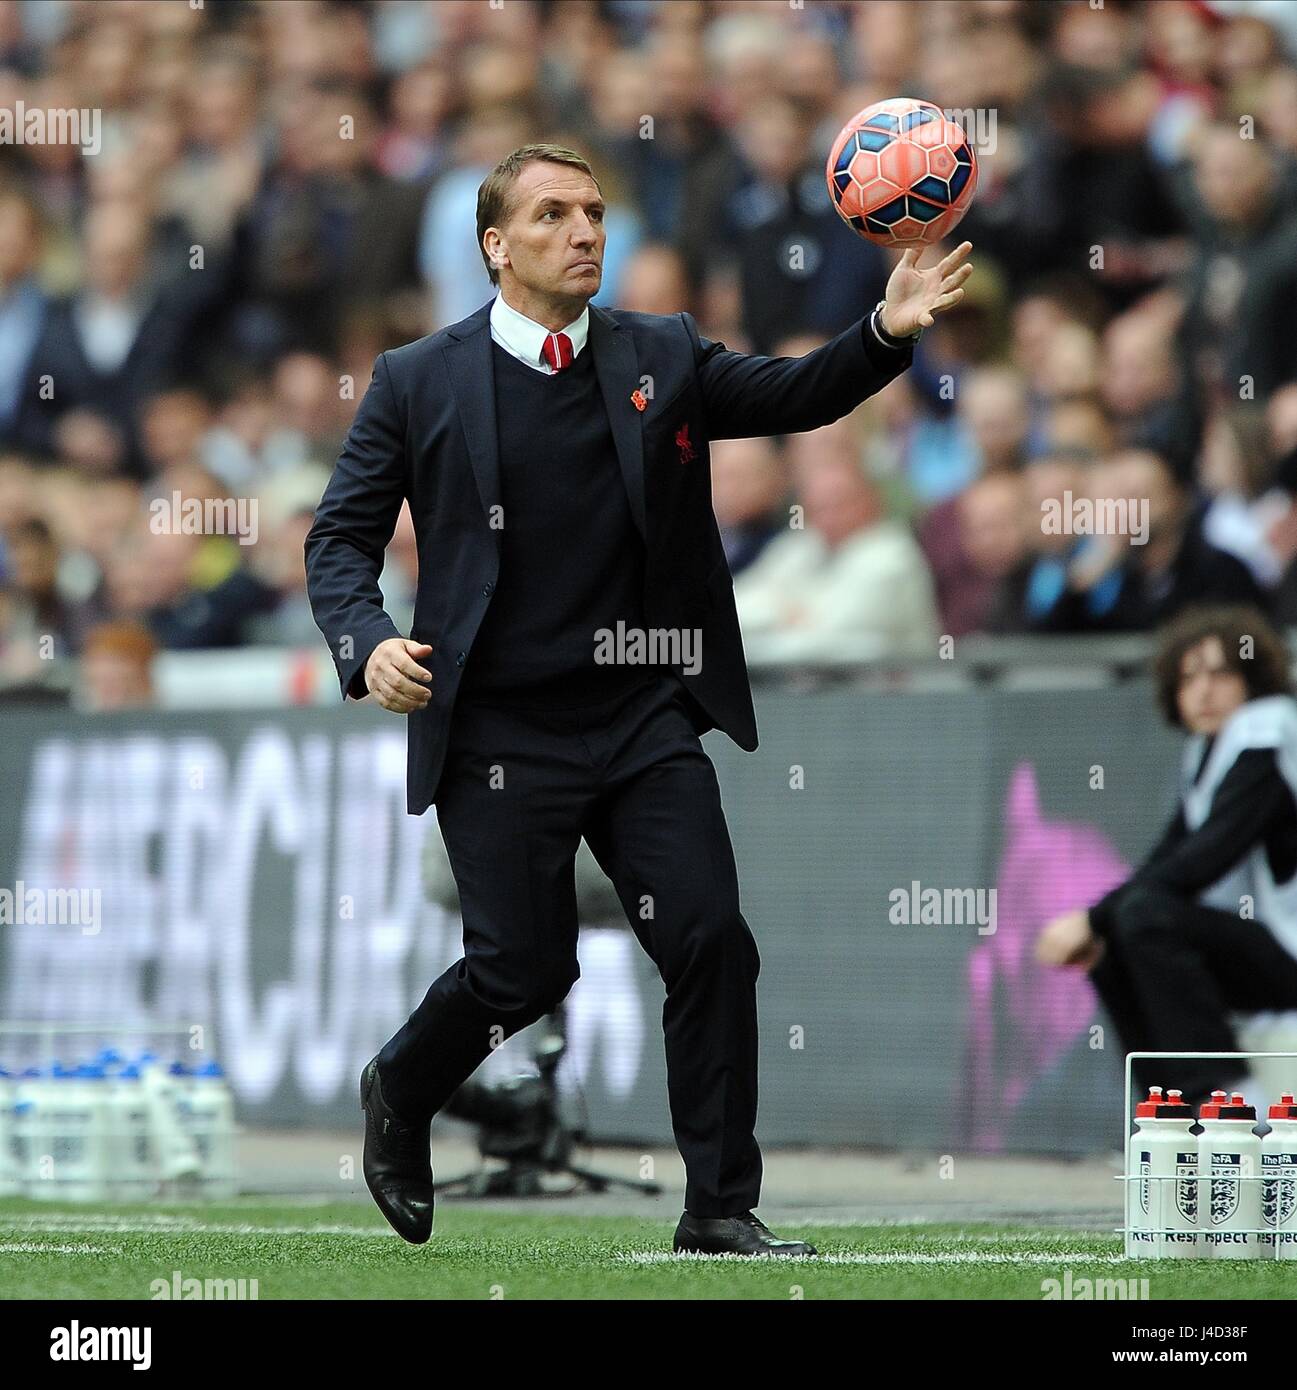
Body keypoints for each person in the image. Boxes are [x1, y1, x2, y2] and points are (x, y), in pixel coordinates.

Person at [305, 142, 972, 1255]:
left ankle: (717, 1206)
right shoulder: (415, 378)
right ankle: (401, 1086)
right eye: (554, 214)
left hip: (640, 715)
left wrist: (881, 333)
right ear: (495, 245)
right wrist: (366, 642)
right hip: (497, 726)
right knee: (524, 968)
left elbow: (794, 394)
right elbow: (339, 541)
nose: (584, 232)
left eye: (596, 213)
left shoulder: (656, 352)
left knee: (711, 935)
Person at [1035, 604, 1297, 1109]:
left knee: (1145, 917)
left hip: (1288, 953)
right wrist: (1096, 924)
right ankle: (1172, 1113)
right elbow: (1166, 860)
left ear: (1254, 678)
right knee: (1115, 938)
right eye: (1188, 677)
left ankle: (1235, 1105)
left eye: (1221, 673)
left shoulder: (1268, 728)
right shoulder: (1206, 752)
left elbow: (1204, 860)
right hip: (1262, 951)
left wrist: (1091, 916)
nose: (1204, 690)